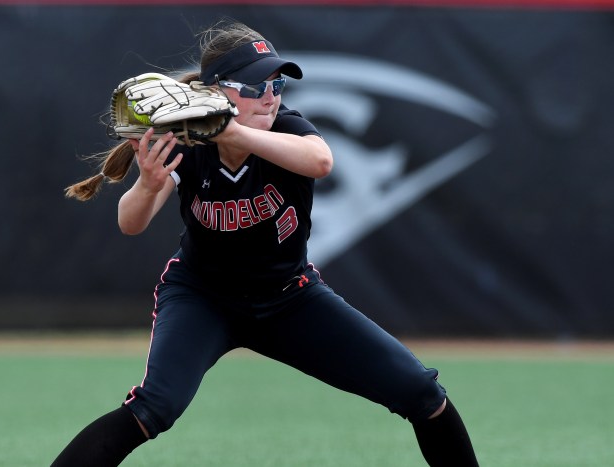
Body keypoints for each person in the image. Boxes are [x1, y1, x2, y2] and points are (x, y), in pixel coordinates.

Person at [53, 19, 479, 467]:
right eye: (256, 86)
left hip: (289, 300)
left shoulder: (288, 128)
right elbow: (130, 223)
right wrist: (146, 184)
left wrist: (229, 131)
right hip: (202, 298)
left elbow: (321, 161)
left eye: (277, 84)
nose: (271, 97)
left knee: (420, 391)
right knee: (153, 408)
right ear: (217, 92)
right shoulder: (186, 142)